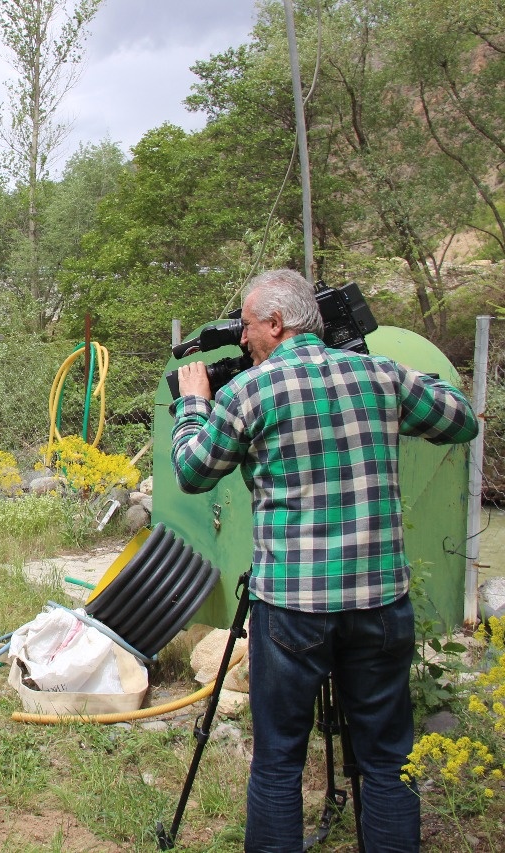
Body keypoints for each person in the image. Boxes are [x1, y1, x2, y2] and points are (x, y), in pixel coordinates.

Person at [170, 269, 478, 851]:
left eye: (247, 324)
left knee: (279, 759)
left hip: (292, 607)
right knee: (387, 759)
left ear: (277, 323)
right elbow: (459, 419)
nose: (243, 338)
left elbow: (190, 471)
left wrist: (193, 406)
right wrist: (409, 382)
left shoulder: (249, 393)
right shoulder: (379, 375)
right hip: (380, 603)